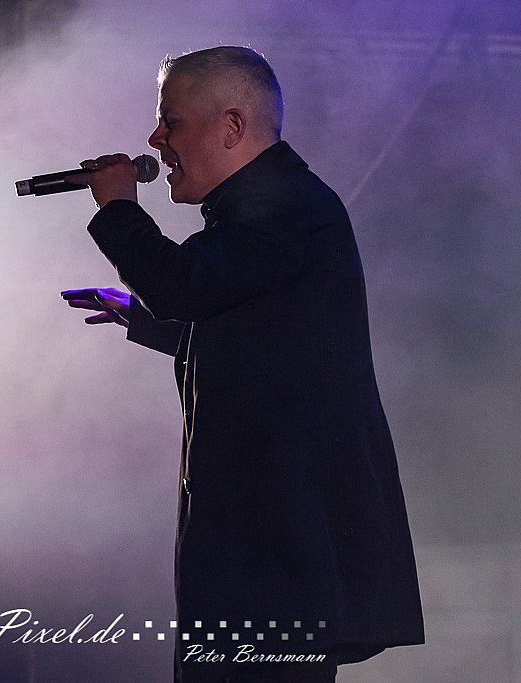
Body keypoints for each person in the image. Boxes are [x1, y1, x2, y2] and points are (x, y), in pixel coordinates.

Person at [61, 46, 424, 682]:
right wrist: (143, 318)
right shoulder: (269, 210)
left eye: (170, 121)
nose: (155, 140)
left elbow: (183, 286)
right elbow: (261, 342)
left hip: (279, 555)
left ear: (231, 126)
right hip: (267, 550)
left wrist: (118, 207)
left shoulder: (283, 205)